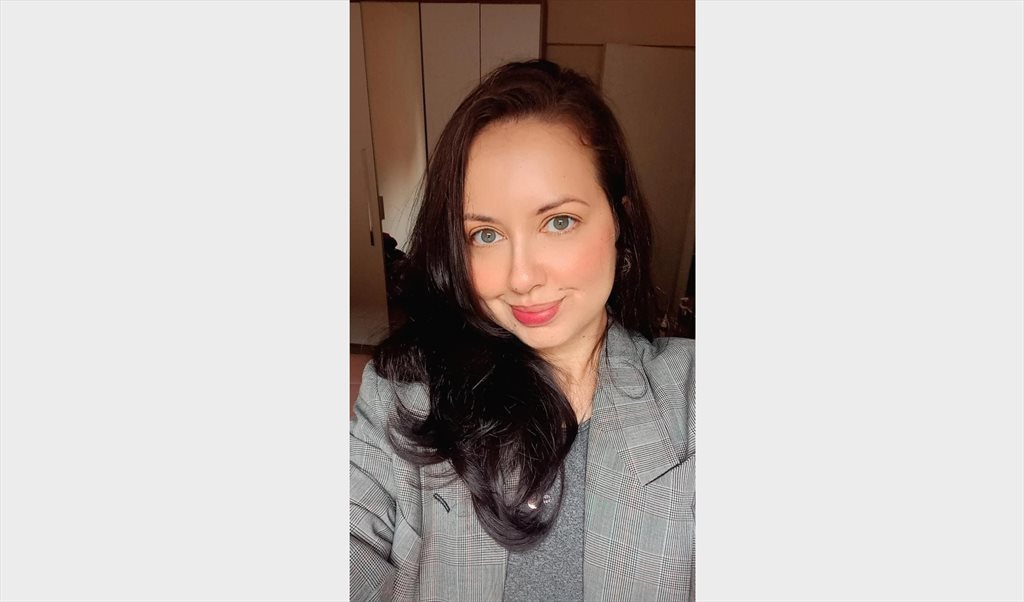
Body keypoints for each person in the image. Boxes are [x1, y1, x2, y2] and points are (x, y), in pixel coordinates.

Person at [350, 60, 694, 602]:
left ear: (619, 223)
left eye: (559, 222)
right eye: (485, 235)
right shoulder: (406, 390)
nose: (522, 277)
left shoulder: (691, 396)